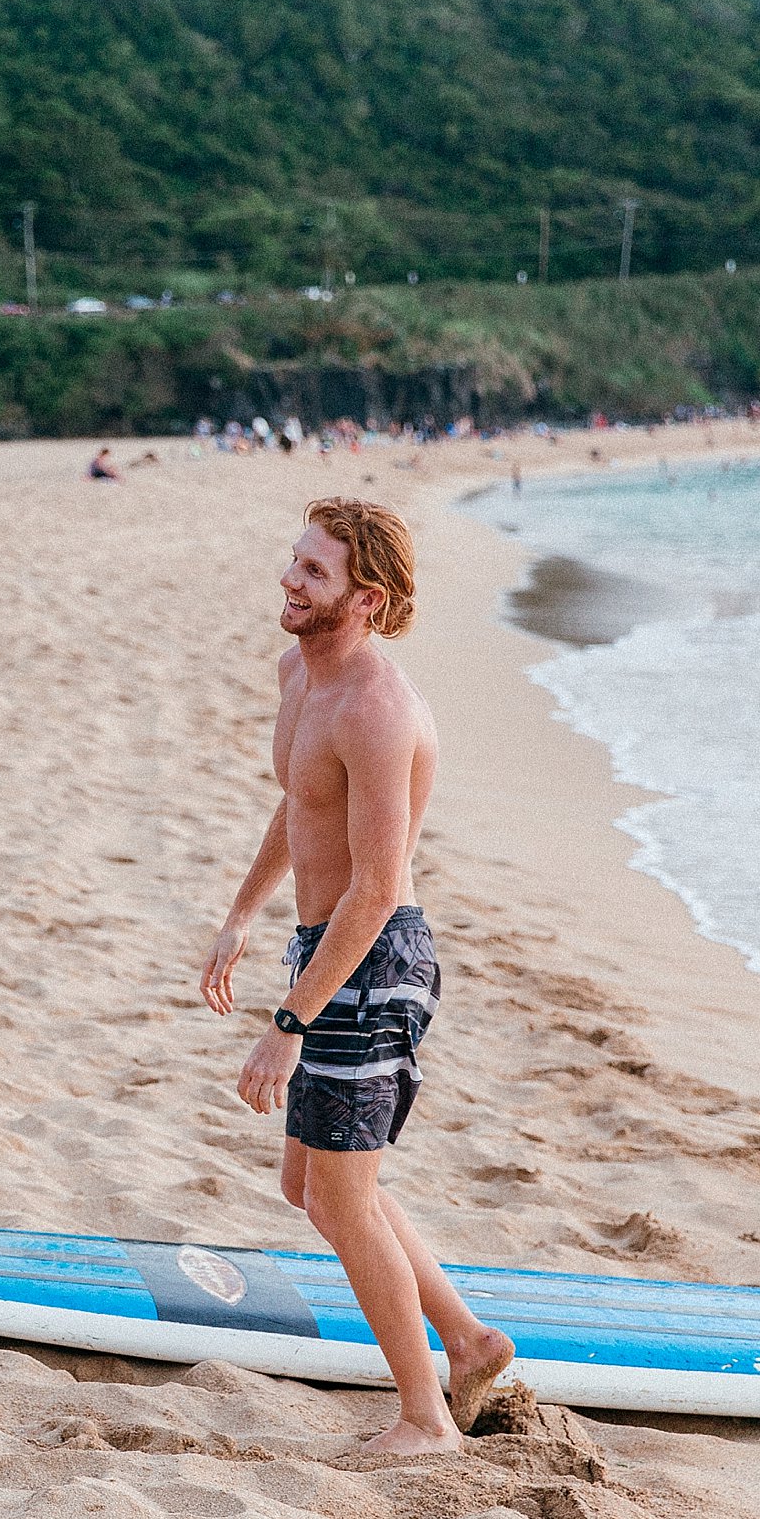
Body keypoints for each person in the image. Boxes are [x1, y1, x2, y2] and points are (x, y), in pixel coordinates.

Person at [198, 497, 513, 1456]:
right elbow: (298, 804)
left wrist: (286, 1027)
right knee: (317, 1187)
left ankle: (426, 1419)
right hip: (322, 947)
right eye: (293, 562)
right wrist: (244, 912)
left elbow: (376, 890)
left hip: (375, 961)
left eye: (314, 573)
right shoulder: (299, 670)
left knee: (338, 1198)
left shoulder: (379, 708)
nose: (290, 581)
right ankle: (467, 1341)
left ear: (365, 598)